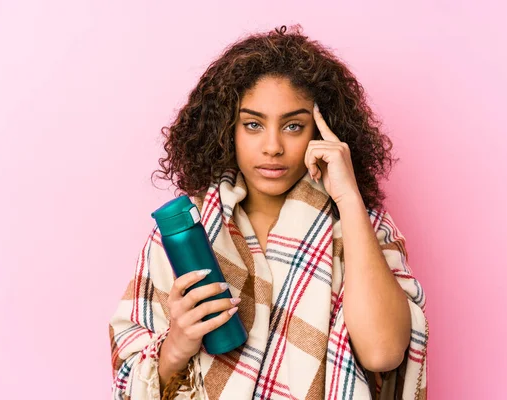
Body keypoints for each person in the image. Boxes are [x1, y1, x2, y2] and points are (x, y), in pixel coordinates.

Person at [109, 25, 428, 400]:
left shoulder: (362, 227)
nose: (273, 146)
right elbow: (131, 377)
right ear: (228, 129)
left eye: (293, 126)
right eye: (253, 125)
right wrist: (177, 344)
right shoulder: (186, 231)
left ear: (321, 133)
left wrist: (349, 197)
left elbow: (384, 353)